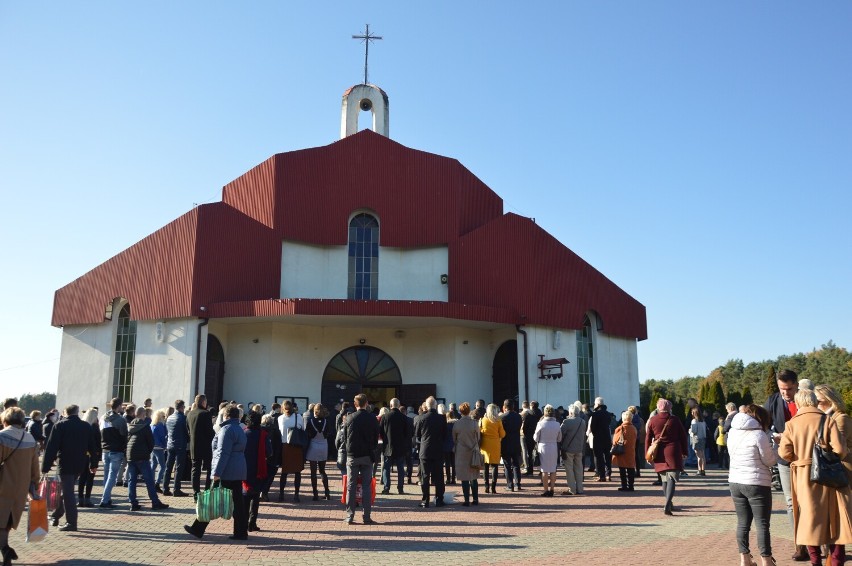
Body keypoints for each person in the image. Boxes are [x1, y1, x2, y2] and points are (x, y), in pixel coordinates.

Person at [779, 389, 851, 565]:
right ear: (814, 402)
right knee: (834, 521)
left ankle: (815, 561)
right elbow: (840, 450)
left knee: (808, 520)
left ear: (798, 403)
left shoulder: (791, 424)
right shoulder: (827, 420)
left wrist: (800, 460)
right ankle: (836, 562)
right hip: (827, 476)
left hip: (803, 476)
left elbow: (784, 452)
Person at [184, 404, 248, 540]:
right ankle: (241, 531)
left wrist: (217, 472)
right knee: (238, 503)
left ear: (226, 415)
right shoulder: (239, 428)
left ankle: (198, 528)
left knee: (210, 499)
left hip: (226, 470)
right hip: (237, 469)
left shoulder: (226, 429)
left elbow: (223, 453)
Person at [764, 370, 806, 561]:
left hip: (808, 458)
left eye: (789, 389)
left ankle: (819, 541)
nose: (785, 393)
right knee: (791, 502)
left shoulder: (806, 400)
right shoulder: (772, 401)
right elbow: (763, 426)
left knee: (810, 501)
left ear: (796, 385)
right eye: (782, 389)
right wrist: (774, 436)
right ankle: (800, 545)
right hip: (785, 458)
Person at [728, 404, 777, 566]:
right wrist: (776, 446)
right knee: (762, 524)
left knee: (742, 522)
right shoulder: (759, 435)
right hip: (757, 483)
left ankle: (745, 559)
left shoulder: (733, 432)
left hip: (735, 481)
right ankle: (766, 561)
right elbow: (770, 460)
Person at [41, 405, 99, 532]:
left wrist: (45, 467)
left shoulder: (60, 425)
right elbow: (92, 447)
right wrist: (94, 464)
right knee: (65, 491)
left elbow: (51, 447)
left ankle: (71, 523)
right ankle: (56, 515)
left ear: (65, 413)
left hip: (65, 464)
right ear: (77, 412)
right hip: (80, 463)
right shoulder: (85, 426)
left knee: (68, 493)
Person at [0, 407, 40, 566]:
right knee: (7, 522)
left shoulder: (2, 437)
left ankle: (5, 549)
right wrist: (34, 486)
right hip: (20, 488)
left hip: (3, 485)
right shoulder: (30, 438)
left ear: (5, 419)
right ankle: (5, 551)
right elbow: (35, 467)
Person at [340, 394, 379, 525]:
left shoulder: (349, 418)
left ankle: (350, 515)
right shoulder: (372, 418)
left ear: (355, 404)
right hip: (367, 455)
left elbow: (344, 437)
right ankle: (366, 516)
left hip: (352, 455)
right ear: (366, 403)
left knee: (351, 486)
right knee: (366, 486)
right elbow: (375, 437)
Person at [645, 398, 688, 516]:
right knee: (672, 479)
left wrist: (647, 454)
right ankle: (668, 504)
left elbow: (648, 438)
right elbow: (683, 436)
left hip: (659, 452)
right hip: (673, 451)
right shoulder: (675, 420)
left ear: (658, 408)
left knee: (664, 479)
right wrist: (685, 451)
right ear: (669, 408)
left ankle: (668, 503)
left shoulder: (653, 420)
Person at [125, 406, 169, 511]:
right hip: (141, 456)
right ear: (143, 414)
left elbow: (128, 440)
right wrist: (147, 452)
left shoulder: (131, 425)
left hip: (130, 455)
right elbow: (151, 442)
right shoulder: (145, 426)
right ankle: (155, 502)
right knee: (149, 480)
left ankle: (133, 503)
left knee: (132, 480)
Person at [414, 396, 447, 507]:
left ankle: (425, 500)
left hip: (425, 450)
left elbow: (417, 435)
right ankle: (439, 499)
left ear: (426, 406)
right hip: (438, 450)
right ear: (435, 406)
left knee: (425, 476)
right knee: (439, 477)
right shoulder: (442, 418)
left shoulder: (421, 418)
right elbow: (444, 435)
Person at [243, 412, 271, 532]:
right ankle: (252, 523)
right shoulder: (263, 434)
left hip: (243, 467)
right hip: (258, 468)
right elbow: (269, 452)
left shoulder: (243, 433)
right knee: (255, 497)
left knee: (244, 497)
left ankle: (242, 523)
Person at [98, 398, 127, 508]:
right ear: (119, 406)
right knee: (112, 477)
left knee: (107, 476)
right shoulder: (120, 420)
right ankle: (105, 500)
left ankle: (107, 498)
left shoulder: (102, 418)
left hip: (105, 450)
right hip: (116, 450)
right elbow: (124, 435)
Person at [379, 398, 412, 495]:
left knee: (386, 468)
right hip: (400, 447)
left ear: (390, 405)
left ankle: (386, 487)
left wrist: (385, 440)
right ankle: (400, 488)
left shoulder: (385, 417)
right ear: (398, 405)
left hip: (387, 446)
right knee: (400, 469)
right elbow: (407, 433)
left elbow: (380, 431)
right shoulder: (404, 417)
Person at [187, 394, 215, 501]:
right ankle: (207, 492)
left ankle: (196, 494)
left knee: (195, 470)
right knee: (209, 469)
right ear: (204, 402)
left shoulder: (190, 414)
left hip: (194, 445)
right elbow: (209, 431)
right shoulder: (206, 414)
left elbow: (188, 430)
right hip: (206, 446)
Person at [453, 402, 481, 506]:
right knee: (473, 476)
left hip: (461, 452)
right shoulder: (474, 423)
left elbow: (454, 438)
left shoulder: (457, 424)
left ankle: (466, 500)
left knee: (464, 476)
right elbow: (478, 437)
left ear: (460, 411)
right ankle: (475, 499)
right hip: (473, 450)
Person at [277, 400, 305, 502]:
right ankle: (296, 494)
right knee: (297, 472)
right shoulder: (299, 417)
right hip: (297, 446)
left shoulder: (280, 418)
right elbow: (303, 429)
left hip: (285, 446)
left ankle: (281, 494)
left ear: (283, 408)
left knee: (284, 472)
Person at [533, 404, 562, 496]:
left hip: (543, 446)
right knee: (553, 469)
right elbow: (559, 438)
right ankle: (552, 489)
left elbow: (535, 438)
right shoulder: (557, 424)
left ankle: (545, 490)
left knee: (544, 470)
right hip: (553, 446)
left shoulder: (540, 423)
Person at [163, 400, 190, 497]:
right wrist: (188, 439)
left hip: (170, 444)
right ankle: (176, 489)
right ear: (182, 407)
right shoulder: (183, 418)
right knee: (178, 468)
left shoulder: (169, 418)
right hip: (180, 445)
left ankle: (165, 488)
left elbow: (168, 431)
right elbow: (186, 431)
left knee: (168, 467)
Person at [305, 403, 331, 501]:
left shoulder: (310, 421)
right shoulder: (326, 421)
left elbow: (307, 433)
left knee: (313, 472)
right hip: (324, 445)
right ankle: (327, 493)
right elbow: (329, 433)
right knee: (322, 471)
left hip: (313, 446)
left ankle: (315, 494)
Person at [559, 403, 585, 496]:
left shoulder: (566, 422)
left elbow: (560, 434)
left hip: (568, 449)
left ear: (570, 412)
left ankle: (572, 489)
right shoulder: (583, 421)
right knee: (579, 469)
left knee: (569, 469)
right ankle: (580, 488)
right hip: (579, 448)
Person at [76, 408, 101, 507]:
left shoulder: (81, 426)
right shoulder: (94, 427)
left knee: (82, 478)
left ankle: (80, 499)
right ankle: (87, 499)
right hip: (92, 455)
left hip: (82, 455)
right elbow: (98, 443)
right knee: (90, 478)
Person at [479, 403, 506, 494]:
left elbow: (480, 431)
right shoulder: (498, 421)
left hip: (485, 444)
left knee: (485, 466)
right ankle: (493, 487)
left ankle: (486, 486)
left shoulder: (483, 420)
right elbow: (502, 434)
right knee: (495, 466)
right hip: (495, 444)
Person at [499, 399, 523, 491]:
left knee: (507, 465)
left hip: (505, 443)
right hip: (516, 442)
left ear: (504, 407)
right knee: (516, 464)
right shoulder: (518, 417)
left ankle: (510, 485)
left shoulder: (502, 417)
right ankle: (518, 484)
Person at [588, 397, 613, 482]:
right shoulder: (608, 414)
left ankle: (602, 475)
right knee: (607, 456)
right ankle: (608, 474)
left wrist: (595, 434)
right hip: (607, 437)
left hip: (598, 438)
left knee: (599, 458)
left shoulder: (595, 414)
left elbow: (592, 427)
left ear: (597, 404)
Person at [262, 403, 283, 501]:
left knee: (261, 476)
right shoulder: (276, 431)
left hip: (262, 457)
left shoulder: (260, 430)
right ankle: (265, 493)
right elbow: (279, 445)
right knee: (270, 476)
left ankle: (260, 492)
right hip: (273, 457)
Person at [612, 410, 637, 492]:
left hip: (621, 451)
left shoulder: (619, 428)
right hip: (631, 450)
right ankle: (631, 485)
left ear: (623, 419)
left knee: (622, 469)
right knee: (631, 468)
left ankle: (624, 485)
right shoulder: (634, 429)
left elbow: (615, 441)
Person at [521, 401, 542, 475]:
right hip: (540, 436)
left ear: (531, 406)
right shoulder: (541, 415)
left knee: (529, 454)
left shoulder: (528, 415)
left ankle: (530, 471)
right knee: (540, 454)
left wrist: (526, 434)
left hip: (530, 436)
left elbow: (525, 427)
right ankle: (541, 470)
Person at [150, 409, 167, 493]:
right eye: (163, 416)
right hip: (159, 447)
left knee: (153, 465)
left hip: (153, 447)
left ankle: (151, 482)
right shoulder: (160, 425)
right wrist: (165, 446)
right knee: (162, 466)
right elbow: (163, 437)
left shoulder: (152, 425)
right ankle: (157, 483)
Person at [689, 407, 707, 476]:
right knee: (703, 455)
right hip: (702, 438)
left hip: (696, 438)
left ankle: (699, 470)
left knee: (698, 456)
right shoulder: (703, 421)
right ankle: (703, 470)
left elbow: (694, 431)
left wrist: (689, 431)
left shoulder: (694, 421)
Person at [628, 406, 645, 478]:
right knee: (636, 455)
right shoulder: (639, 419)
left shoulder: (630, 419)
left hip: (631, 438)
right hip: (637, 438)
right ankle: (638, 471)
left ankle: (632, 471)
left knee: (631, 455)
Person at [443, 409, 457, 485]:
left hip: (446, 445)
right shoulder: (456, 425)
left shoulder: (445, 425)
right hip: (454, 445)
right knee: (454, 463)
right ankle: (453, 479)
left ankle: (448, 478)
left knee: (447, 463)